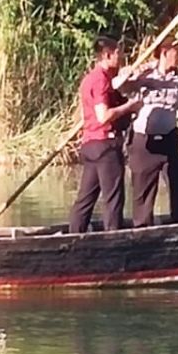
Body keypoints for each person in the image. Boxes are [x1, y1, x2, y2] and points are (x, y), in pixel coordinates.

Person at [68, 36, 142, 233]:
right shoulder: (100, 80)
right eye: (119, 54)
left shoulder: (90, 79)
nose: (122, 57)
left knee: (86, 197)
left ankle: (75, 234)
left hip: (90, 144)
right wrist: (130, 107)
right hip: (104, 143)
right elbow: (103, 116)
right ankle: (113, 238)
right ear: (108, 55)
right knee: (113, 196)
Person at [127, 39, 178, 228]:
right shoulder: (143, 74)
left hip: (169, 138)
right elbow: (122, 87)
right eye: (176, 53)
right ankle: (142, 230)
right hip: (144, 143)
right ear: (164, 52)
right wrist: (131, 74)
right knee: (142, 192)